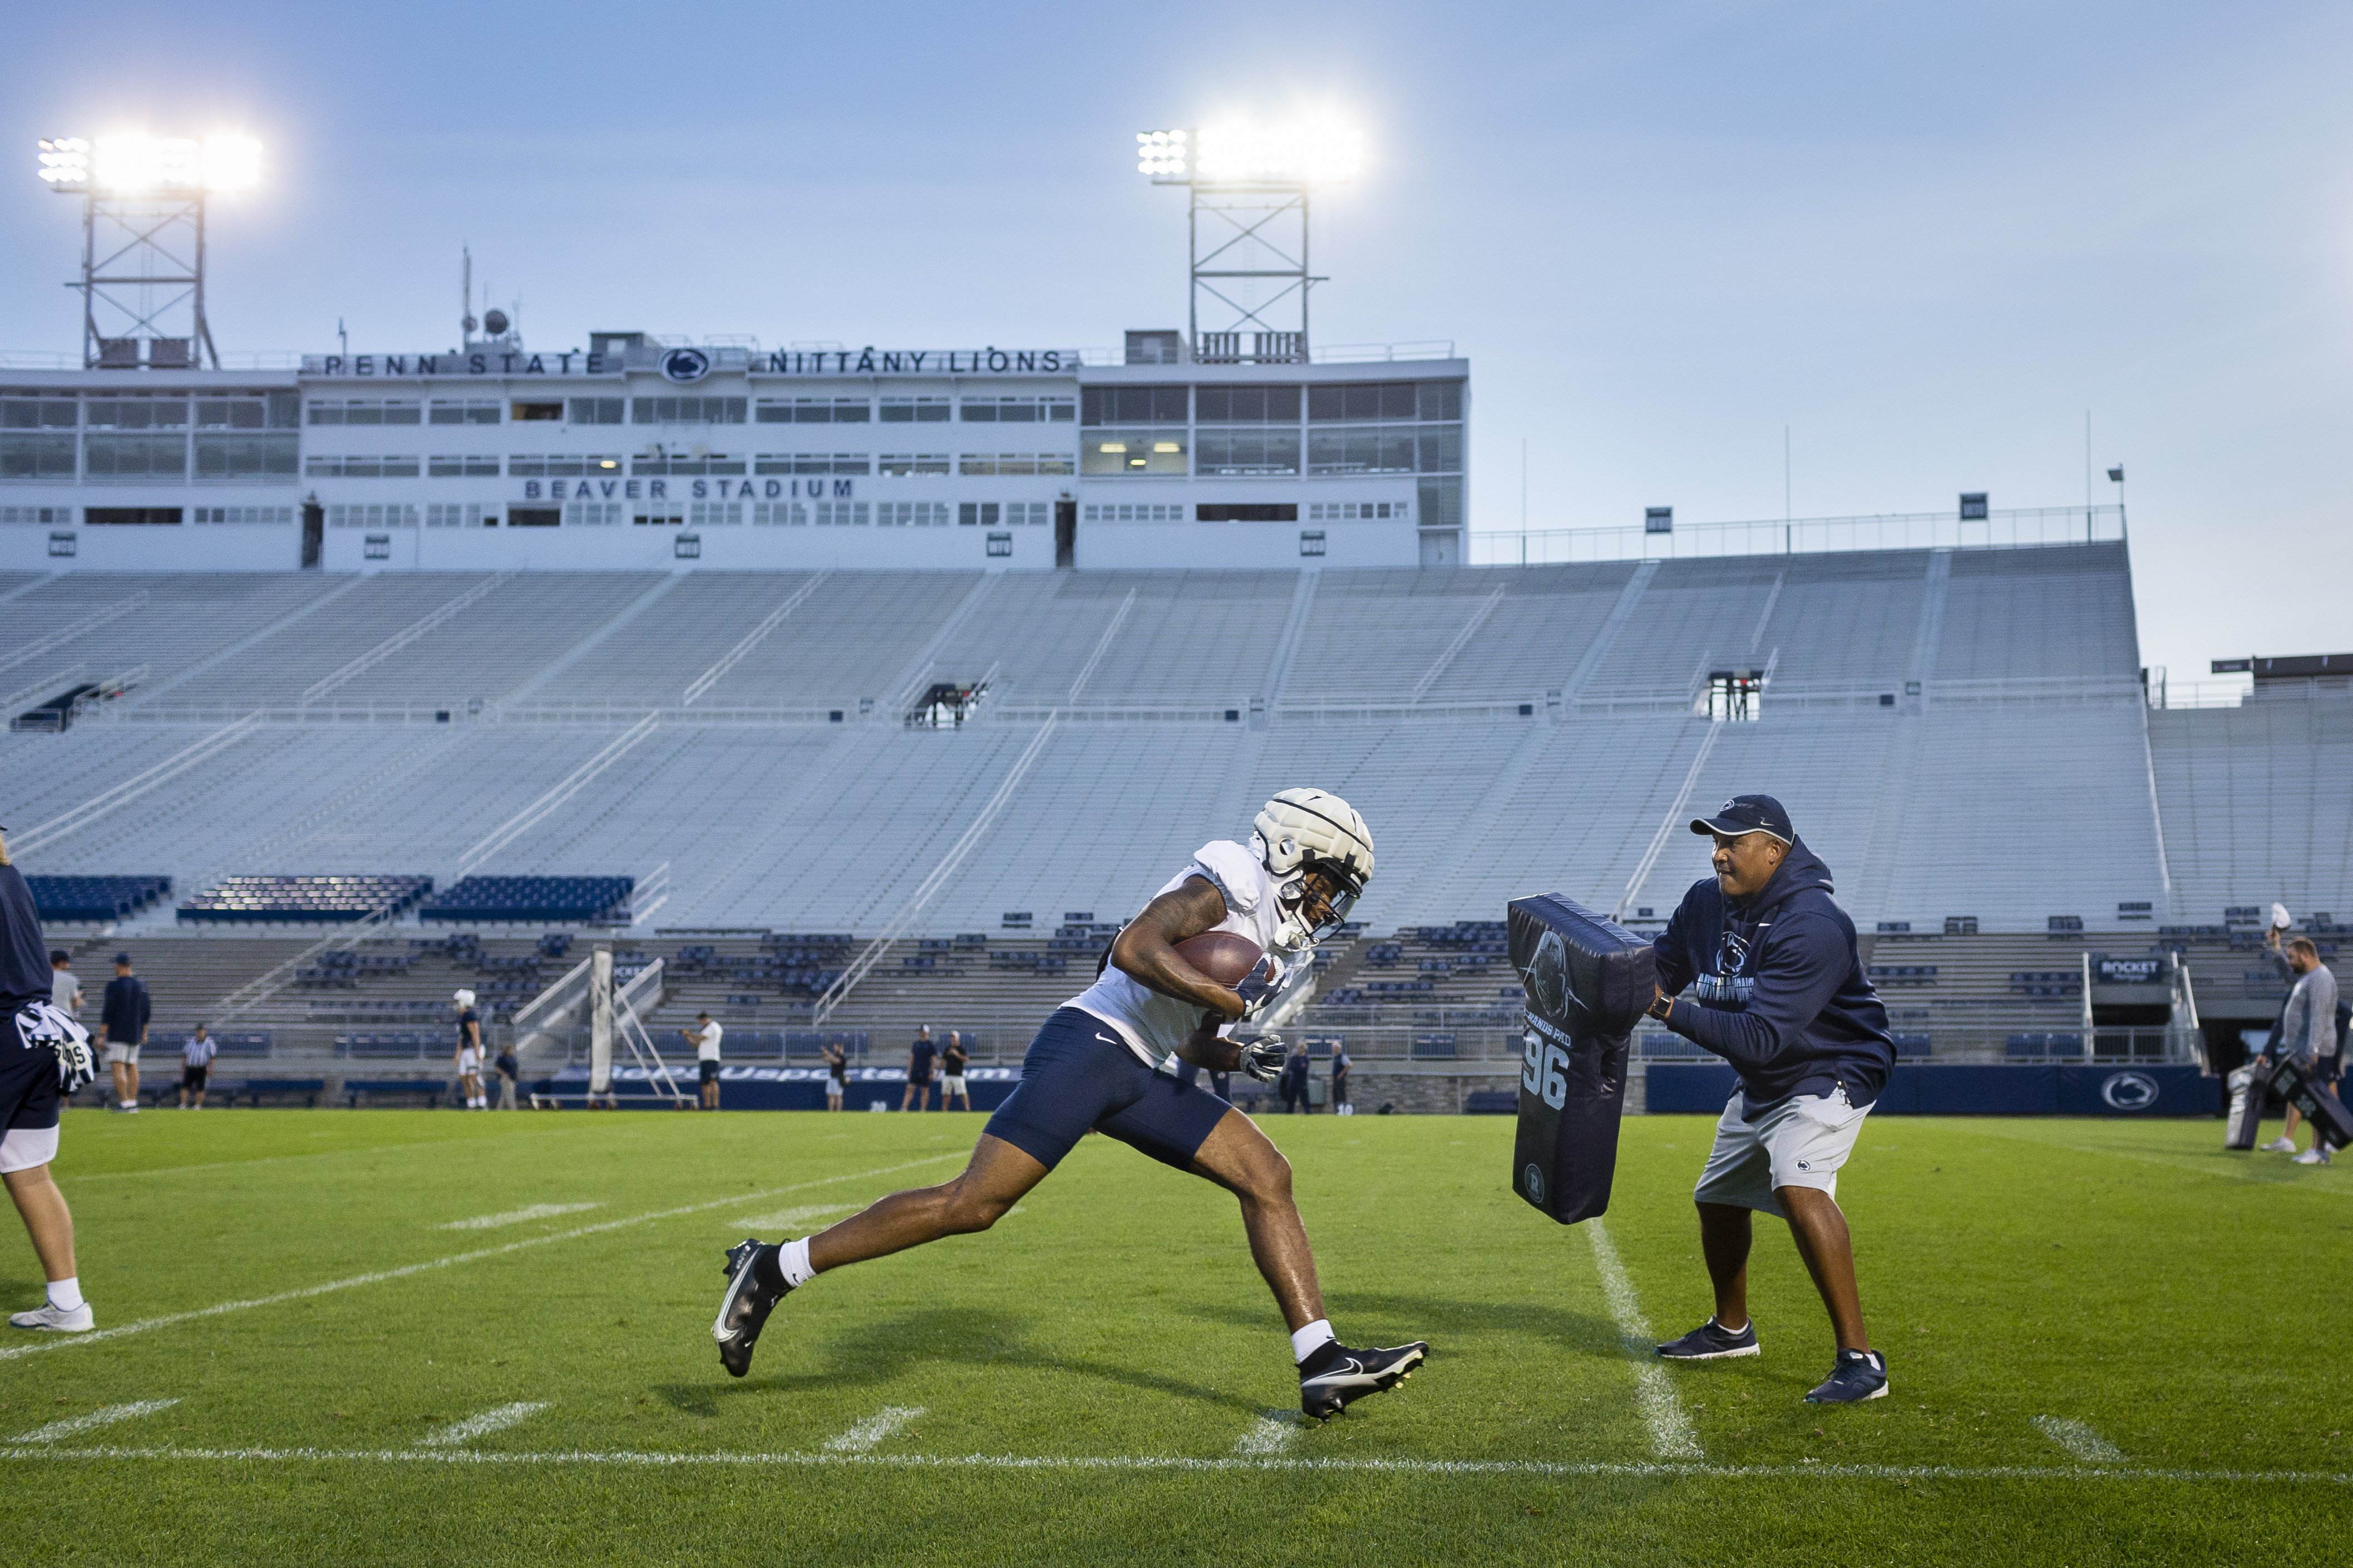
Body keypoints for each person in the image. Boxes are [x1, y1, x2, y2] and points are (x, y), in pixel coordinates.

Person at [713, 788, 1427, 1420]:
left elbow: (1192, 1042)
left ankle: (1319, 1359)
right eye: (1324, 881)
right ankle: (776, 1265)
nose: (1328, 903)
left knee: (1265, 1173)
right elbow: (1133, 945)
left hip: (1136, 1067)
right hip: (1088, 1044)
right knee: (973, 1204)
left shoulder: (1269, 937)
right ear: (1286, 852)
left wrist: (1239, 1050)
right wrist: (1226, 998)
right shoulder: (1229, 881)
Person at [1646, 794, 1897, 1406]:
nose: (1717, 853)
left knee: (1795, 1179)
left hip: (1831, 1066)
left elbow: (1758, 1037)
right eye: (1713, 840)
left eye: (1731, 842)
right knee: (1717, 1197)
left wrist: (1663, 1008)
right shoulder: (1705, 901)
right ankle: (1731, 1330)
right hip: (1765, 1073)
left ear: (1774, 851)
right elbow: (1660, 966)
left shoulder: (1813, 923)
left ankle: (1861, 1360)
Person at [3, 827, 96, 1333]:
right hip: (40, 1034)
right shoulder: (12, 876)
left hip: (4, 1032)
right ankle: (67, 1304)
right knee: (30, 1171)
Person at [2258, 929, 2340, 1164]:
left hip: (2317, 1052)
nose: (2290, 962)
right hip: (2306, 1051)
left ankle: (2320, 1151)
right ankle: (2317, 1149)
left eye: (2292, 957)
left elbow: (2319, 1018)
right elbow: (2286, 973)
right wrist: (2276, 948)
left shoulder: (2321, 979)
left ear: (2305, 956)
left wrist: (2312, 1052)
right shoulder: (2308, 978)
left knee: (2319, 1102)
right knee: (2313, 1101)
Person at [100, 952, 150, 1114]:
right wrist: (144, 1032)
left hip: (118, 1032)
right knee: (133, 1065)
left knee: (118, 1065)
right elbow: (147, 1011)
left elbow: (108, 1012)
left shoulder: (114, 986)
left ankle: (125, 1102)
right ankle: (134, 1102)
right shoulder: (141, 985)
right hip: (135, 1031)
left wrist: (101, 1035)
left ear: (120, 965)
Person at [452, 989, 486, 1110]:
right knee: (464, 1078)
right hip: (466, 1049)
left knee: (474, 1075)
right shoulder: (462, 1017)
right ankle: (471, 1103)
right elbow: (462, 1038)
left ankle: (482, 1102)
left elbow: (475, 1034)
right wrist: (457, 1055)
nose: (455, 1005)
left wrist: (477, 1052)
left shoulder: (470, 1015)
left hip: (473, 1049)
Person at [684, 1012, 724, 1111]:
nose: (701, 1023)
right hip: (703, 1059)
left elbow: (702, 1037)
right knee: (704, 1083)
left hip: (712, 1058)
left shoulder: (714, 1026)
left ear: (706, 1019)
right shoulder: (705, 1029)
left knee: (712, 1081)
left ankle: (715, 1105)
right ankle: (707, 1106)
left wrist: (689, 1034)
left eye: (701, 1021)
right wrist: (687, 1036)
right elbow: (696, 1044)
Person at [179, 1023, 215, 1109]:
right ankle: (183, 1104)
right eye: (198, 1031)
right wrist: (183, 1067)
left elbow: (212, 1057)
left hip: (201, 1068)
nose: (200, 1033)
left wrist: (211, 1068)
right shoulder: (191, 1041)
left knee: (200, 1087)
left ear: (205, 1032)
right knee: (185, 1086)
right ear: (196, 1032)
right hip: (190, 1067)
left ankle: (198, 1105)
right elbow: (185, 1055)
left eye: (202, 1031)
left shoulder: (209, 1042)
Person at [902, 1026, 936, 1112]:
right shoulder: (916, 1044)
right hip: (916, 1070)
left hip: (925, 1070)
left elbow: (933, 1059)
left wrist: (932, 1072)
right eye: (920, 1031)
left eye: (922, 1031)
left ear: (926, 1032)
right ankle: (904, 1108)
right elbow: (912, 1057)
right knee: (910, 1088)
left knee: (924, 1090)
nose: (920, 1033)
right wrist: (910, 1069)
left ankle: (923, 1109)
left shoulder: (930, 1045)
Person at [1279, 1037, 1313, 1114]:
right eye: (1299, 1048)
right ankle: (1289, 1113)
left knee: (1304, 1099)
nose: (1300, 1049)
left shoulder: (1306, 1059)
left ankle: (1308, 1113)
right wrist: (1299, 1067)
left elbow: (1304, 1069)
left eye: (1302, 1048)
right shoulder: (1294, 1058)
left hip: (1302, 1081)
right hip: (1293, 1081)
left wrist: (1298, 1067)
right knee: (1291, 1099)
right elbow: (1291, 1067)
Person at [940, 1031, 971, 1111]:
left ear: (958, 1038)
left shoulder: (961, 1049)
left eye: (954, 1037)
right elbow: (943, 1060)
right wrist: (938, 1071)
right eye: (952, 1037)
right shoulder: (948, 1049)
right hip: (948, 1074)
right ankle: (944, 1110)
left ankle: (967, 1109)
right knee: (946, 1094)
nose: (953, 1039)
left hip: (958, 1074)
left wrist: (957, 1055)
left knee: (963, 1093)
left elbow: (966, 1059)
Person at [49, 951, 81, 1023]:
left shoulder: (43, 977)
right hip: (65, 1017)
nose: (69, 964)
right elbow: (75, 1003)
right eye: (68, 962)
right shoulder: (71, 979)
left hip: (47, 1017)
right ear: (61, 963)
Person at [492, 1041, 520, 1110]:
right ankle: (513, 1109)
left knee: (504, 1095)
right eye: (511, 1050)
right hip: (506, 1078)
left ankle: (499, 1109)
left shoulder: (513, 1058)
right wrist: (504, 1074)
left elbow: (515, 1067)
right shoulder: (502, 1058)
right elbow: (497, 1068)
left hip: (512, 1078)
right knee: (510, 1094)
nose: (512, 1051)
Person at [822, 1039, 847, 1111]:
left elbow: (836, 1061)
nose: (835, 1048)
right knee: (830, 1095)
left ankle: (839, 1111)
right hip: (832, 1077)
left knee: (838, 1095)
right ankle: (831, 1111)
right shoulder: (834, 1056)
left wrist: (828, 1054)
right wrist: (825, 1054)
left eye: (836, 1047)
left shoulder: (842, 1057)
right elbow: (825, 1060)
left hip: (839, 1078)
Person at [1331, 1040, 1353, 1116]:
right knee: (1335, 1096)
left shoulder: (1342, 1057)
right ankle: (1337, 1112)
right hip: (1335, 1079)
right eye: (1333, 1048)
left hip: (1340, 1079)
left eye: (1335, 1048)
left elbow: (1349, 1064)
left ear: (1339, 1049)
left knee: (1341, 1096)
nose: (1334, 1049)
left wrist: (1341, 1074)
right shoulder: (1335, 1057)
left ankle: (1342, 1112)